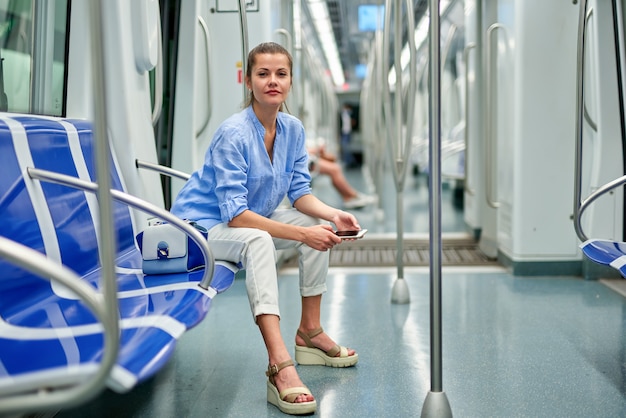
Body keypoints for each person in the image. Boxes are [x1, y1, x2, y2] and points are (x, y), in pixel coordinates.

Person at [170, 42, 359, 415]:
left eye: (281, 74)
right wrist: (304, 235)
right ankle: (279, 365)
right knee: (261, 239)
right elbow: (237, 216)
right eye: (263, 74)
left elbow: (300, 193)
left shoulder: (291, 129)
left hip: (244, 219)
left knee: (312, 222)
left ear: (290, 81)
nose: (272, 81)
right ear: (250, 82)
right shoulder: (234, 133)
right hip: (200, 229)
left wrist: (333, 214)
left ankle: (310, 331)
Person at [308, 144, 377, 209]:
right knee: (334, 169)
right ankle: (350, 196)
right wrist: (315, 150)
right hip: (304, 160)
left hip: (306, 156)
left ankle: (352, 195)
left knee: (332, 158)